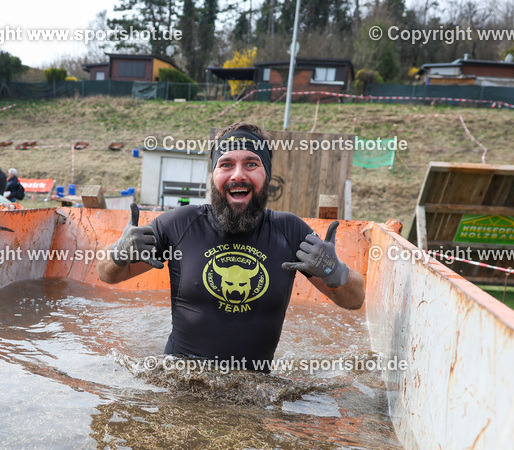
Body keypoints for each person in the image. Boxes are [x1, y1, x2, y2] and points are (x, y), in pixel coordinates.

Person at [96, 122, 365, 371]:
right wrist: (118, 254)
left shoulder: (290, 232)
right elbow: (107, 275)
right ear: (213, 174)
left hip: (255, 390)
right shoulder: (180, 225)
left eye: (251, 164)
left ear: (266, 174)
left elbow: (355, 301)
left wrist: (334, 271)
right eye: (226, 164)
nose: (238, 175)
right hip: (179, 380)